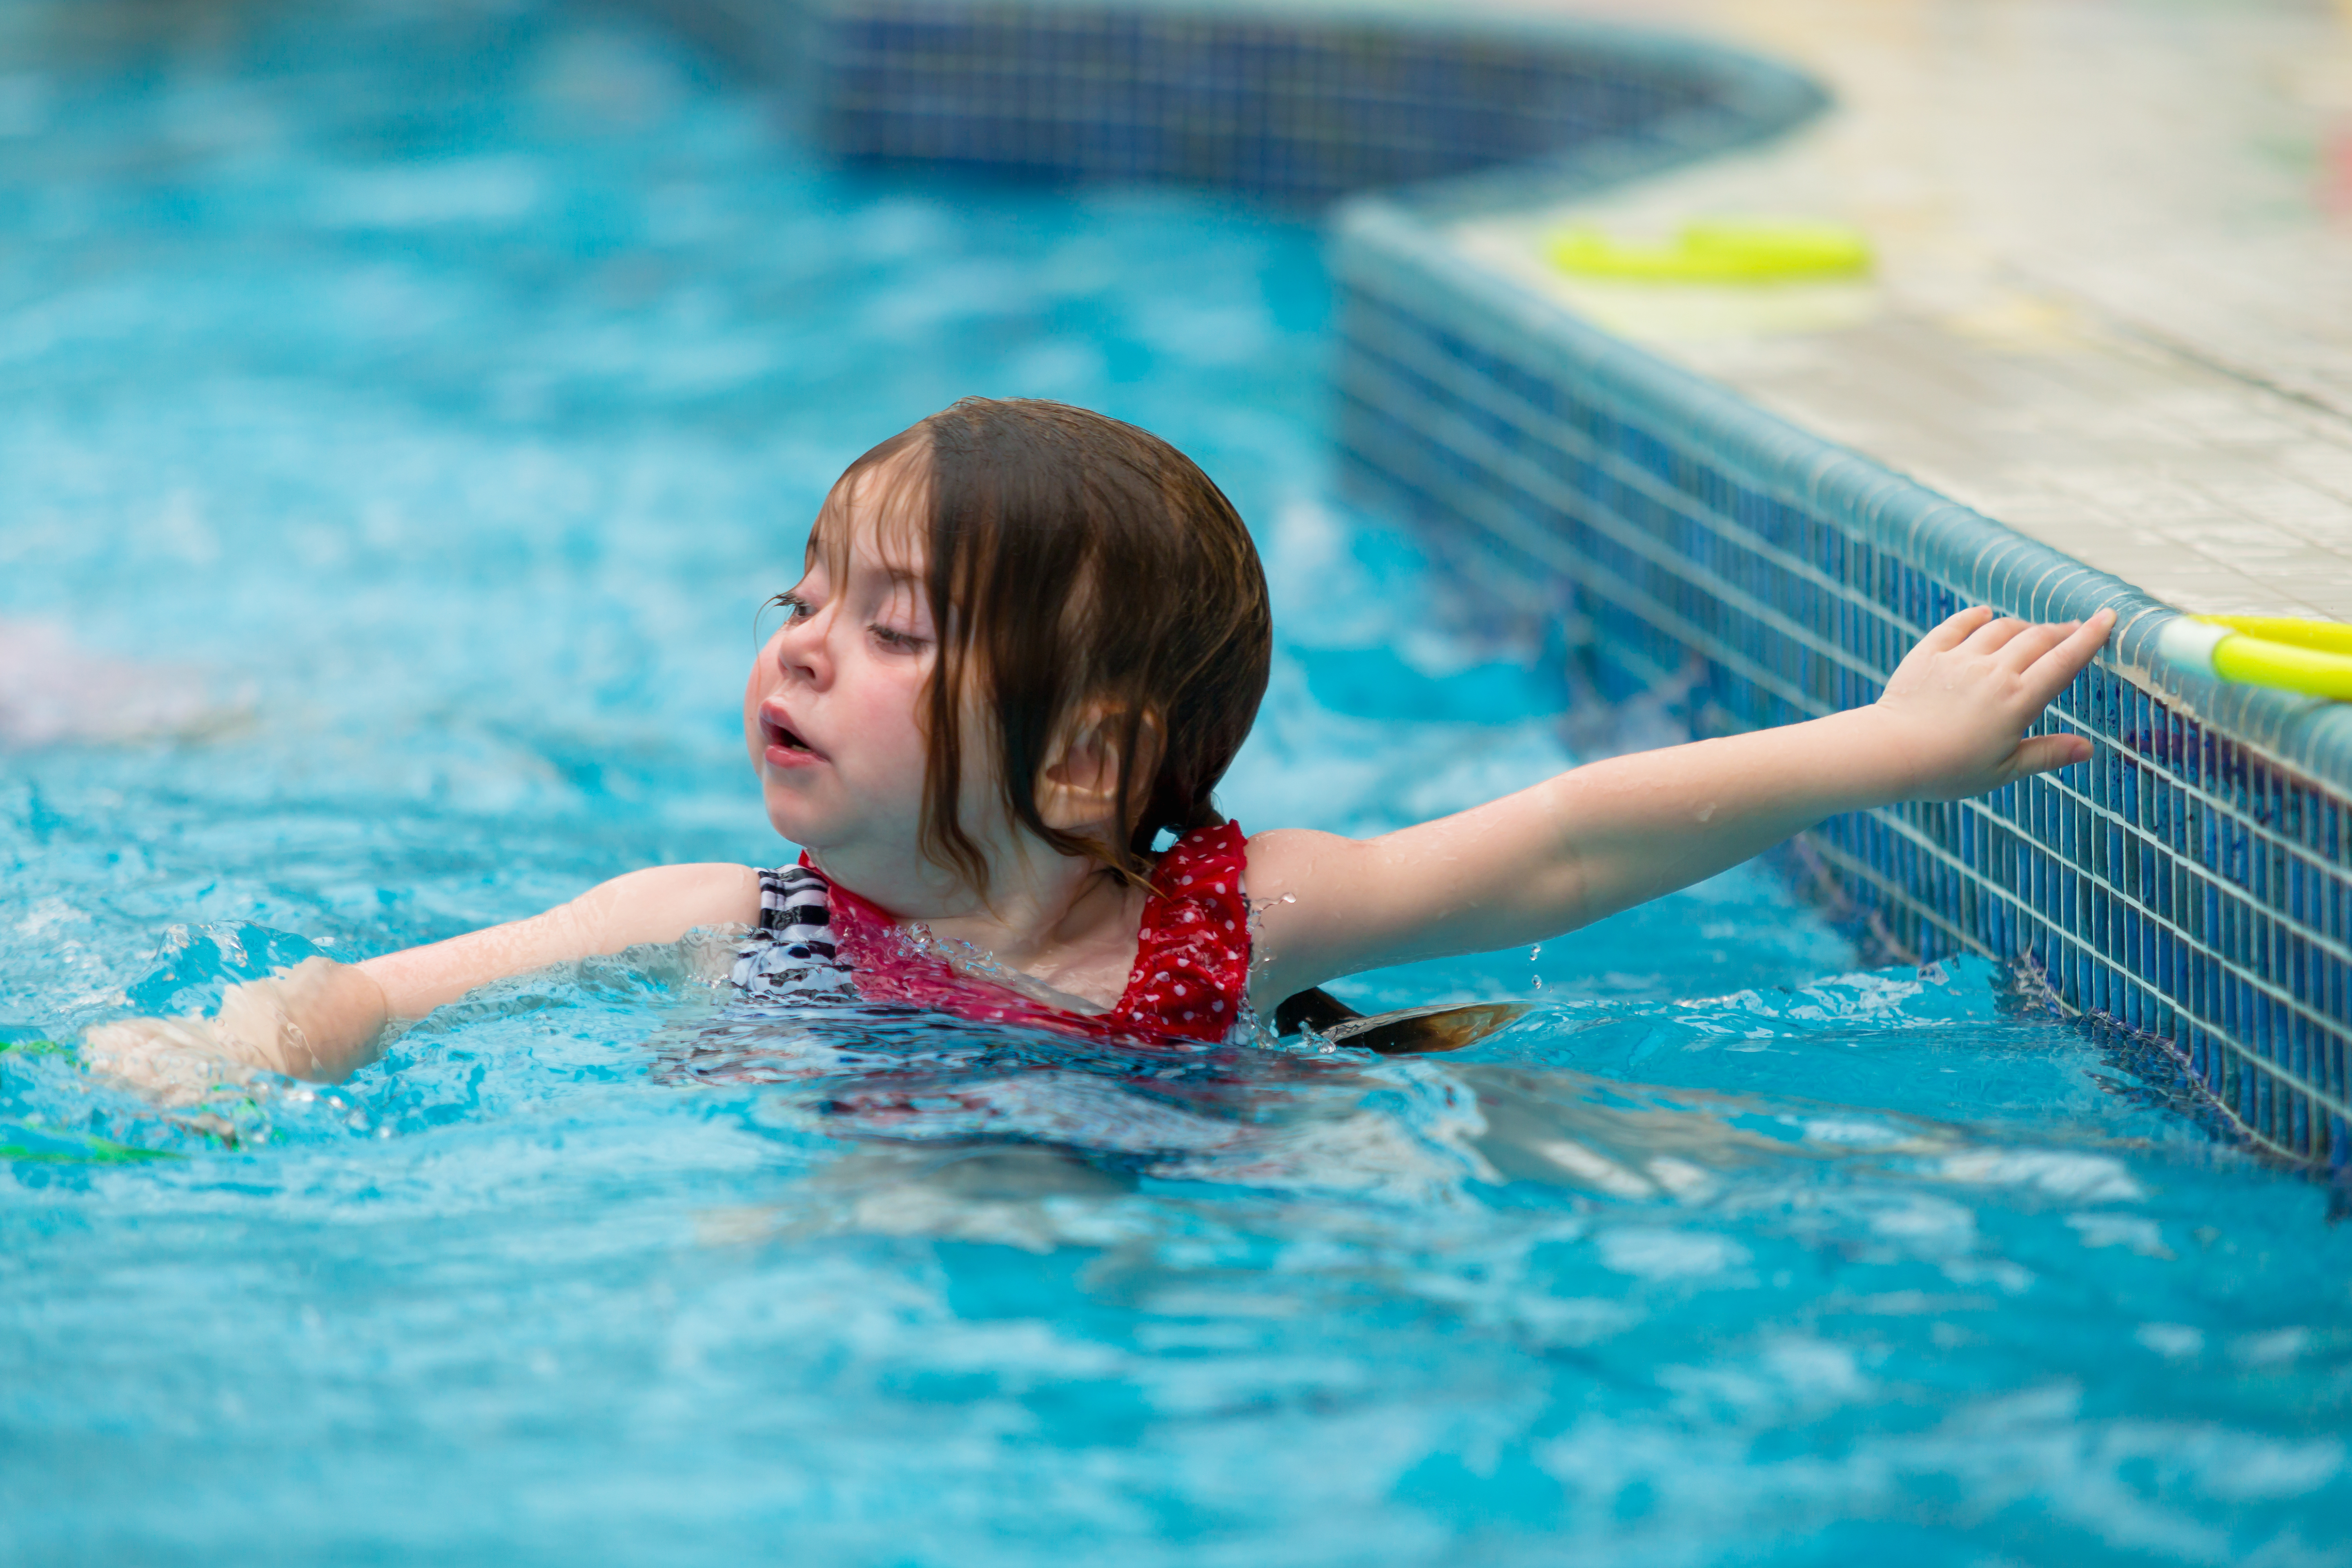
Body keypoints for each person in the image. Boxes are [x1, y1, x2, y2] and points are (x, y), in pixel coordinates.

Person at [82, 397, 2115, 1096]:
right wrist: (246, 1047)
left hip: (1233, 1155)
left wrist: (1885, 750)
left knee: (1522, 1148)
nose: (797, 649)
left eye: (888, 630)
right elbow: (408, 989)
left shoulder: (1236, 922)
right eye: (800, 601)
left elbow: (1565, 844)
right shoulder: (716, 922)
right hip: (899, 1202)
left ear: (1085, 766)